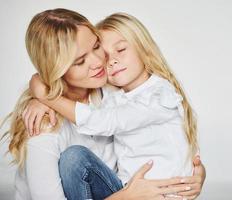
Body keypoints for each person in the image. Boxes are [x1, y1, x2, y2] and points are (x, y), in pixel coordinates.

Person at [1, 8, 205, 200]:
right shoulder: (44, 126)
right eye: (80, 61)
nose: (99, 62)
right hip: (124, 194)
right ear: (58, 69)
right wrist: (125, 197)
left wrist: (195, 173)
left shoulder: (111, 91)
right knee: (74, 159)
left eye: (96, 46)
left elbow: (163, 133)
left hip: (129, 190)